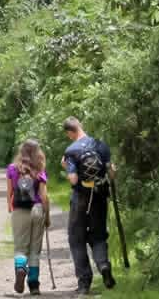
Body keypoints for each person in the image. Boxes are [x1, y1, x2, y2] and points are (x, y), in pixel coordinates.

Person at [61, 116, 117, 294]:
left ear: (70, 132)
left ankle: (84, 283)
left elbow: (73, 178)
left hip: (81, 198)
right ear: (81, 126)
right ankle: (103, 266)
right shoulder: (100, 145)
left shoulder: (71, 151)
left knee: (76, 238)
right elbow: (112, 173)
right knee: (98, 235)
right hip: (100, 196)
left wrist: (66, 167)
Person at [6, 139, 51, 295]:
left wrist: (11, 209)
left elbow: (10, 193)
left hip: (19, 210)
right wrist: (47, 216)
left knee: (20, 248)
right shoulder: (40, 170)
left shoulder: (12, 169)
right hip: (37, 209)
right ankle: (33, 284)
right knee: (34, 250)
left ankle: (20, 270)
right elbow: (44, 196)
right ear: (37, 152)